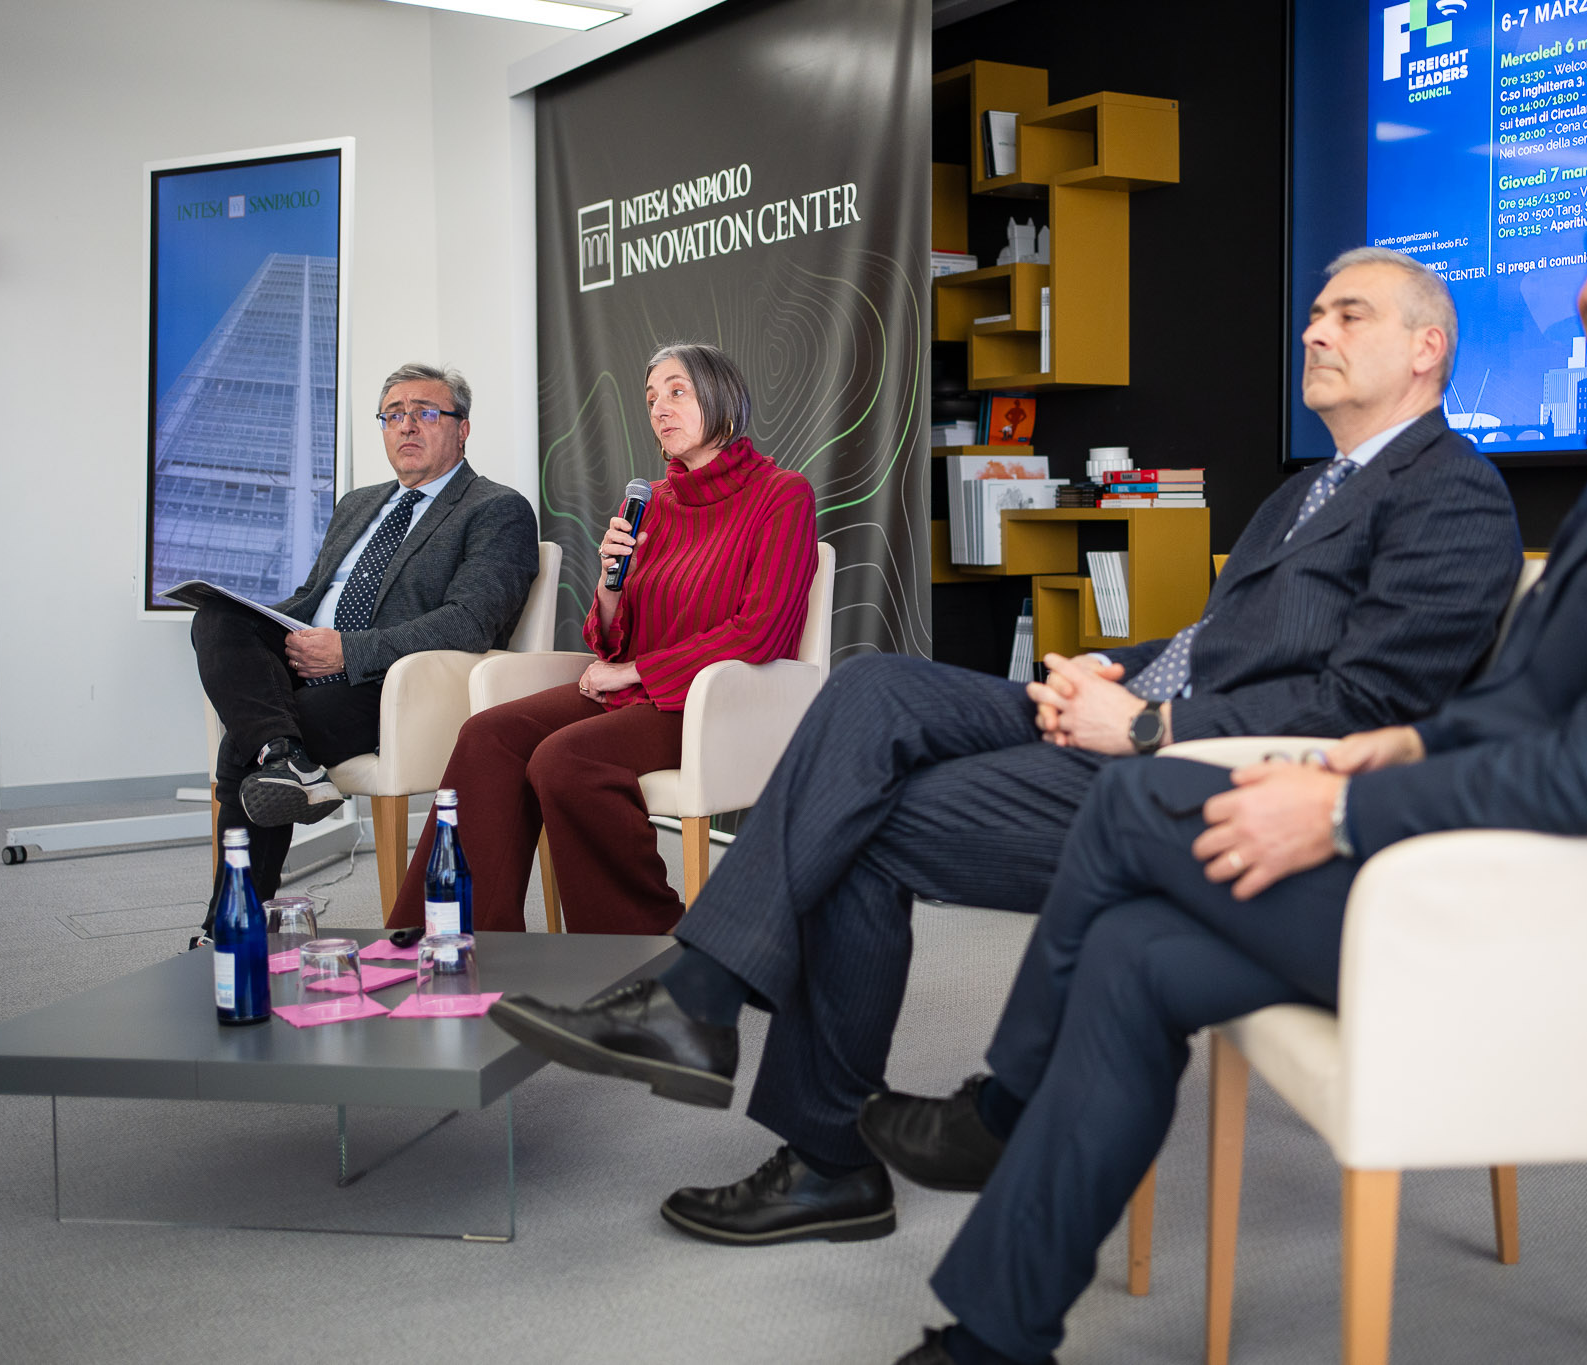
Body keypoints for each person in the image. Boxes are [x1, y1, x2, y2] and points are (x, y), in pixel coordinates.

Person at [857, 132, 1587, 1365]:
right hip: (1532, 873)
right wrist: (1393, 749)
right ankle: (988, 1339)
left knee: (1134, 808)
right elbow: (1530, 711)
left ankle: (1001, 1112)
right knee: (1131, 951)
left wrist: (1339, 810)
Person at [489, 250, 1524, 1243]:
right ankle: (716, 1023)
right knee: (872, 690)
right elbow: (1219, 646)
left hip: (1212, 784)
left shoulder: (1452, 495)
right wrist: (1106, 669)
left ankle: (791, 1119)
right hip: (1138, 722)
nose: (1314, 330)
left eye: (1348, 314)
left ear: (1425, 347)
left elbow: (1366, 709)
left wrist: (1147, 724)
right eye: (1315, 313)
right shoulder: (1306, 493)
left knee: (858, 819)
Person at [385, 343, 817, 935]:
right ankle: (446, 935)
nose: (659, 409)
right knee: (488, 735)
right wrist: (612, 586)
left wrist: (635, 671)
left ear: (722, 397)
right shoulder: (652, 503)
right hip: (636, 691)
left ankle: (648, 942)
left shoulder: (781, 493)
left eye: (677, 392)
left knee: (565, 761)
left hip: (712, 702)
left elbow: (760, 630)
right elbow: (612, 640)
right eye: (651, 398)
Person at [193, 364, 538, 934]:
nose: (407, 426)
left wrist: (348, 652)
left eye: (426, 413)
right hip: (311, 661)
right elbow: (311, 597)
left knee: (241, 747)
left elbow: (470, 623)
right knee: (216, 616)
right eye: (393, 415)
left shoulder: (496, 508)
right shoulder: (358, 504)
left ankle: (231, 929)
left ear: (462, 428)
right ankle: (286, 756)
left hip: (394, 686)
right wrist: (258, 619)